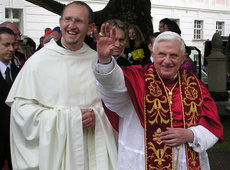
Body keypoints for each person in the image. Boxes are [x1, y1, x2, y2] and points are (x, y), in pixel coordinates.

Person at [6, 1, 117, 170]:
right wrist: (72, 119)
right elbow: (21, 113)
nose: (72, 26)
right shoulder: (37, 62)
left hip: (90, 156)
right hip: (55, 160)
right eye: (68, 19)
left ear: (90, 28)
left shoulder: (98, 61)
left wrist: (98, 117)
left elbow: (117, 106)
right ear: (60, 22)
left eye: (79, 21)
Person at [92, 28, 224, 170]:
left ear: (183, 58)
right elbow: (113, 84)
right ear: (153, 54)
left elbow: (211, 123)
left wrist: (190, 134)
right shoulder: (136, 78)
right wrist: (105, 61)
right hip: (140, 162)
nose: (167, 61)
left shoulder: (196, 86)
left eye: (173, 55)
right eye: (162, 54)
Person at [0, 27, 20, 170]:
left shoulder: (18, 71)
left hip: (15, 136)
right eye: (6, 45)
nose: (11, 49)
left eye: (13, 44)